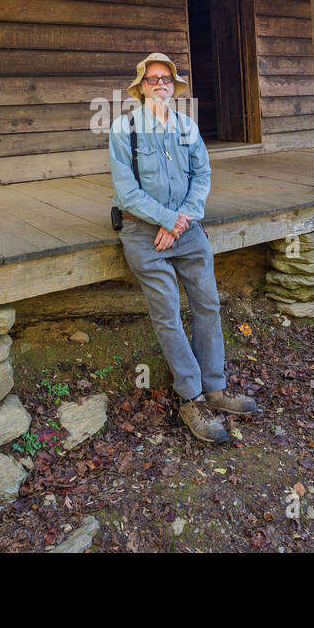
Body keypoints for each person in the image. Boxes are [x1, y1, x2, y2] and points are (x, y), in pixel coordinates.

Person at [109, 52, 258, 444]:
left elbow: (202, 175)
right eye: (152, 79)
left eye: (166, 79)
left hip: (186, 229)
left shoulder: (187, 126)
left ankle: (215, 388)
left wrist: (181, 221)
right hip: (144, 232)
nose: (160, 84)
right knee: (168, 313)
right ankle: (190, 397)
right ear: (141, 87)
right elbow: (126, 193)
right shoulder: (124, 128)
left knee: (208, 303)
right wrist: (165, 220)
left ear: (174, 87)